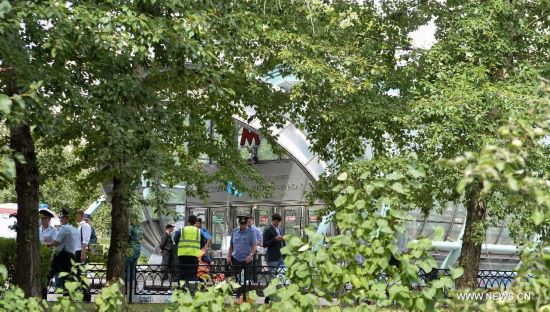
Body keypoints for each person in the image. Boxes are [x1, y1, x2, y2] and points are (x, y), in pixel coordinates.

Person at [47, 209, 78, 295]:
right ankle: (68, 298)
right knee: (67, 278)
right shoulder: (75, 228)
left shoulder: (65, 228)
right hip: (71, 255)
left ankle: (42, 293)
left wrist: (46, 245)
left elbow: (56, 242)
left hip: (62, 255)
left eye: (62, 218)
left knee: (49, 273)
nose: (60, 219)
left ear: (67, 218)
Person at [227, 216, 257, 299]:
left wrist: (251, 255)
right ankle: (238, 295)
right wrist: (228, 256)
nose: (242, 225)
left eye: (244, 224)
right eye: (241, 224)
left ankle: (246, 295)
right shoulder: (234, 232)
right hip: (236, 258)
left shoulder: (251, 233)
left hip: (246, 259)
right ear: (239, 223)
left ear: (246, 223)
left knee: (246, 278)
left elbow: (255, 246)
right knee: (237, 278)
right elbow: (231, 246)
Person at [174, 215, 205, 287]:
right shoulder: (199, 232)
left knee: (182, 274)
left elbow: (175, 240)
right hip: (194, 256)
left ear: (188, 221)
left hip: (182, 256)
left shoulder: (181, 230)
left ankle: (181, 291)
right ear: (195, 222)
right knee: (192, 275)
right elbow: (203, 244)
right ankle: (191, 291)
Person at [75, 210, 92, 301]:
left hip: (80, 253)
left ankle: (87, 296)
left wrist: (83, 253)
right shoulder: (79, 226)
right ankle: (81, 295)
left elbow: (85, 241)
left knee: (82, 275)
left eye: (76, 215)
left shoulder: (85, 226)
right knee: (78, 275)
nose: (75, 217)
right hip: (77, 252)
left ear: (81, 215)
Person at [247, 217, 262, 282]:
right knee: (246, 266)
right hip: (245, 250)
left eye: (249, 221)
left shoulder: (256, 230)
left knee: (254, 265)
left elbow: (261, 242)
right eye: (247, 222)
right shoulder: (244, 229)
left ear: (252, 221)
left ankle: (255, 281)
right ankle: (247, 280)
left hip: (253, 250)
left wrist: (255, 242)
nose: (248, 223)